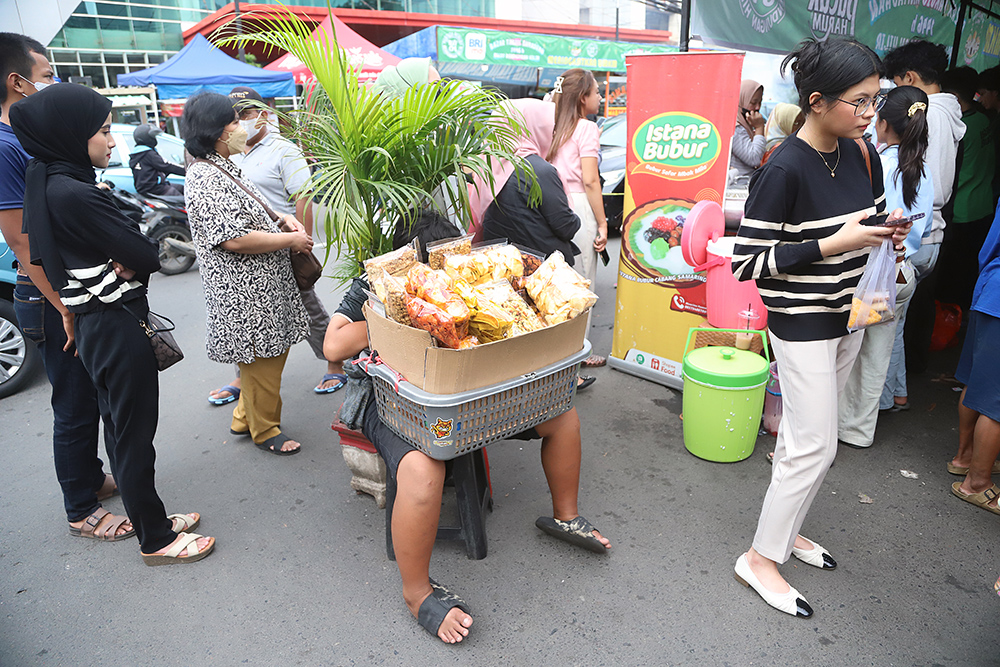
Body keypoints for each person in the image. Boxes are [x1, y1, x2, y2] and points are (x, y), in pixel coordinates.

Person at [329, 212, 611, 644]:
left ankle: (565, 516)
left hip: (472, 396)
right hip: (390, 400)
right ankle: (416, 592)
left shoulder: (475, 281)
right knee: (425, 471)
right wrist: (399, 322)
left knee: (562, 415)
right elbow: (331, 347)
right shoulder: (379, 281)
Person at [731, 38, 911, 617]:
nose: (869, 115)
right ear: (815, 101)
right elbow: (748, 263)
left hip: (852, 310)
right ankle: (760, 557)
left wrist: (888, 232)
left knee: (803, 443)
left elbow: (875, 215)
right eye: (857, 102)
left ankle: (785, 536)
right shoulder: (783, 165)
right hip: (802, 318)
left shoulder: (862, 153)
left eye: (873, 101)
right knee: (815, 443)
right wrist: (836, 241)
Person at [10, 83, 213, 565]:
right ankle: (157, 539)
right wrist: (127, 257)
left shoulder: (47, 179)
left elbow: (82, 255)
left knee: (121, 427)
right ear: (70, 135)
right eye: (102, 131)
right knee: (132, 433)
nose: (110, 142)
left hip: (93, 320)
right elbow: (148, 254)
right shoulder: (75, 191)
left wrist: (121, 258)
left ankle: (154, 521)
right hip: (114, 323)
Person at [0, 32, 130, 541]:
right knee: (74, 402)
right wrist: (66, 306)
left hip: (68, 292)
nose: (54, 83)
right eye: (48, 74)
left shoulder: (26, 141)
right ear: (18, 82)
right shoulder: (7, 147)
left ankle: (91, 479)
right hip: (53, 296)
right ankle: (81, 508)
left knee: (89, 393)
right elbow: (21, 238)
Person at [182, 91, 311, 456]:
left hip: (260, 286)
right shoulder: (205, 175)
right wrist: (289, 240)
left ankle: (244, 416)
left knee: (263, 357)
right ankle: (265, 429)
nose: (242, 127)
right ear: (217, 131)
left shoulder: (222, 163)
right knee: (263, 360)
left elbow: (253, 207)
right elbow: (234, 239)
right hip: (245, 291)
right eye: (234, 121)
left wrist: (282, 219)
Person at [205, 87, 339, 405]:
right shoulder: (229, 151)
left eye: (246, 114)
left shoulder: (283, 150)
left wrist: (301, 240)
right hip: (249, 252)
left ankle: (336, 361)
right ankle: (244, 375)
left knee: (307, 307)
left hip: (282, 243)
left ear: (263, 114)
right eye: (235, 117)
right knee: (248, 315)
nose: (239, 123)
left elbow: (302, 197)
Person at [474, 98, 594, 390]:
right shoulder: (539, 170)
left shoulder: (490, 163)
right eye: (548, 127)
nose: (551, 133)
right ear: (533, 127)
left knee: (514, 330)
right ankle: (563, 380)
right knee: (550, 330)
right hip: (540, 268)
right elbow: (566, 224)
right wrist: (578, 218)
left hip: (500, 267)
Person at [838, 86, 931, 446]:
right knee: (878, 353)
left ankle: (841, 427)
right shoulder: (918, 165)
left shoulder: (880, 164)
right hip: (904, 272)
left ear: (882, 123)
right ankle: (861, 431)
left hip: (878, 275)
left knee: (851, 353)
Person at [882, 40, 966, 374]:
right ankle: (899, 392)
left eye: (898, 85)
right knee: (897, 322)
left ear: (911, 77)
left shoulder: (928, 115)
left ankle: (890, 396)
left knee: (886, 326)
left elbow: (915, 184)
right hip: (932, 231)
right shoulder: (949, 112)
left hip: (914, 231)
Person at [547, 68, 608, 368]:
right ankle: (579, 354)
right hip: (580, 207)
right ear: (583, 98)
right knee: (584, 280)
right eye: (596, 92)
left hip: (554, 204)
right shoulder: (587, 129)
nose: (600, 96)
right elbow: (590, 180)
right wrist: (604, 222)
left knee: (558, 279)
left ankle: (557, 351)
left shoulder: (555, 125)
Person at [949, 206, 1000, 513]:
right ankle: (977, 482)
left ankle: (964, 458)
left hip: (991, 289)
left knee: (975, 382)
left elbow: (990, 247)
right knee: (996, 402)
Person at [938, 67, 996, 314]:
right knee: (970, 268)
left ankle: (952, 317)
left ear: (953, 96)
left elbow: (952, 175)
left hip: (961, 211)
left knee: (952, 275)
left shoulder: (962, 129)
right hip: (983, 206)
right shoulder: (984, 119)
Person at [128, 124, 184, 200]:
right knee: (182, 201)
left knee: (181, 188)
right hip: (156, 189)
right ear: (146, 138)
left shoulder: (137, 154)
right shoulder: (148, 154)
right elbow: (166, 166)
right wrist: (186, 171)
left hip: (147, 189)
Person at [730, 79, 766, 178]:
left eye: (760, 102)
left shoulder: (745, 126)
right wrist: (759, 128)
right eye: (753, 103)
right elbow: (754, 158)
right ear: (741, 100)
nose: (757, 107)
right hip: (738, 186)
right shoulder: (735, 128)